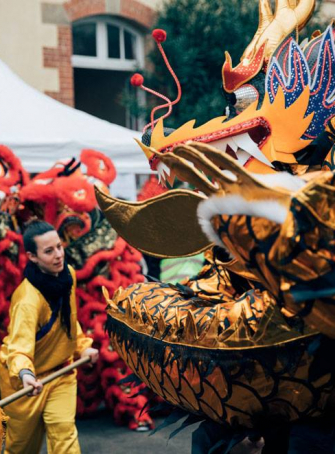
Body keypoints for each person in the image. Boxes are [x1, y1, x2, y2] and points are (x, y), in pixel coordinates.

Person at [0, 220, 99, 453]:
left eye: (59, 247)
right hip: (23, 386)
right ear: (32, 256)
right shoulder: (26, 300)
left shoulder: (68, 275)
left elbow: (69, 319)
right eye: (49, 251)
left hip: (61, 374)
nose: (58, 255)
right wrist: (25, 374)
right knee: (21, 448)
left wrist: (82, 347)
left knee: (65, 436)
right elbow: (19, 348)